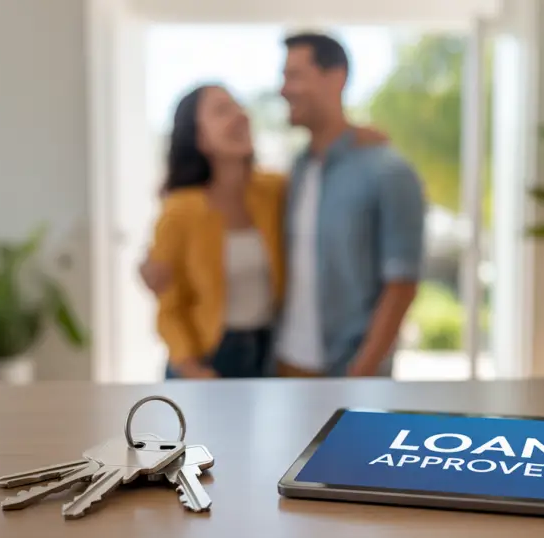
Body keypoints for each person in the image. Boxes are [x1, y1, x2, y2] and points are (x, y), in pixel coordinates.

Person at [146, 83, 389, 379]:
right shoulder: (180, 210)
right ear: (201, 138)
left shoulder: (274, 191)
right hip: (206, 357)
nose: (240, 116)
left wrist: (355, 139)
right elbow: (169, 307)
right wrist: (191, 368)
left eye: (238, 106)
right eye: (222, 111)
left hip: (267, 352)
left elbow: (321, 172)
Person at [272, 33, 425, 378]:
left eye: (294, 76)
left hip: (349, 371)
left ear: (336, 77)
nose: (283, 89)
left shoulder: (389, 171)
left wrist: (362, 372)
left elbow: (402, 284)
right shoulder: (298, 169)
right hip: (285, 364)